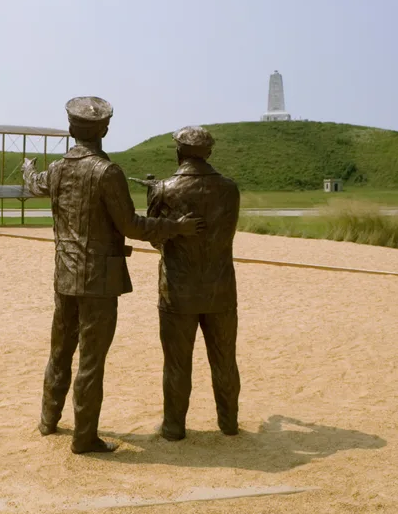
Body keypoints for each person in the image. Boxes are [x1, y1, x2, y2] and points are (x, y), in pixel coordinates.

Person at [22, 97, 204, 454]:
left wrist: (27, 168)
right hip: (99, 281)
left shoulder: (58, 169)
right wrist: (175, 228)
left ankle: (49, 419)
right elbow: (132, 225)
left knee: (59, 350)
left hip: (65, 275)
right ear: (104, 129)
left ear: (71, 129)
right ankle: (84, 437)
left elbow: (34, 182)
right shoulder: (107, 173)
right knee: (91, 359)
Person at [146, 126, 241, 441]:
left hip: (177, 292)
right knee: (225, 360)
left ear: (179, 152)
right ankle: (228, 423)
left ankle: (174, 427)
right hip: (221, 290)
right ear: (209, 153)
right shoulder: (230, 190)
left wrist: (155, 198)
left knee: (176, 363)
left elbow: (155, 241)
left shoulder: (163, 189)